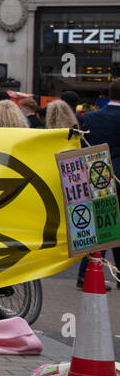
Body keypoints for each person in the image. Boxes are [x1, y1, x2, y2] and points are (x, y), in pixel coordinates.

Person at [80, 79, 120, 286]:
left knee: (99, 226)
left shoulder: (93, 117)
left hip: (98, 175)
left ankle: (84, 274)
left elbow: (82, 145)